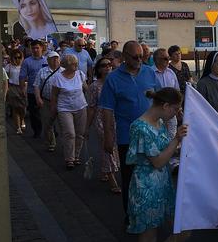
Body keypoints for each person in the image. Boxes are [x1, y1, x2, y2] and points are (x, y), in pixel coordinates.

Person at [127, 88, 187, 242]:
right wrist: (176, 140)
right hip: (146, 187)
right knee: (148, 239)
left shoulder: (158, 123)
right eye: (175, 109)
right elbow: (158, 161)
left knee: (182, 229)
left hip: (161, 185)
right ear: (165, 106)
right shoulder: (140, 126)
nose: (176, 114)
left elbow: (166, 152)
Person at [99, 41, 161, 214]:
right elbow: (107, 110)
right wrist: (109, 136)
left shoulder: (149, 73)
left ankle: (151, 211)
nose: (140, 60)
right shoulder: (113, 78)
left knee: (152, 175)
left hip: (151, 134)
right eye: (135, 57)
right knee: (131, 178)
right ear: (124, 57)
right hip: (128, 136)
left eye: (142, 56)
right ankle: (131, 215)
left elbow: (160, 98)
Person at [87, 57, 121, 193]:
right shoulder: (94, 86)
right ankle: (112, 178)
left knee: (113, 146)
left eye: (109, 65)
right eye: (104, 65)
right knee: (109, 146)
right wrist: (87, 127)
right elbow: (91, 107)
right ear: (98, 69)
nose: (107, 67)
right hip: (101, 119)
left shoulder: (115, 83)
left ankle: (104, 170)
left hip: (117, 118)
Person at [50, 55, 88, 169]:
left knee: (80, 133)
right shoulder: (58, 77)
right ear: (66, 65)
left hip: (81, 106)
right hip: (64, 108)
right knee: (70, 133)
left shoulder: (80, 75)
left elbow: (86, 88)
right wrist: (53, 108)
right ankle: (69, 158)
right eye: (73, 64)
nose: (76, 66)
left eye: (76, 63)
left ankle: (76, 156)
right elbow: (54, 95)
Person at [34, 51, 63, 151]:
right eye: (53, 58)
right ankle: (51, 142)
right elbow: (37, 86)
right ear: (48, 60)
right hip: (47, 101)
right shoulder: (42, 71)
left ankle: (67, 143)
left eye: (57, 58)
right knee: (47, 123)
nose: (55, 60)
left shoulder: (63, 71)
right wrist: (38, 98)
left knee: (63, 123)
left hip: (61, 101)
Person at [19, 40, 47, 138]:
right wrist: (22, 89)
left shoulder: (46, 60)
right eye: (33, 48)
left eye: (37, 48)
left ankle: (50, 131)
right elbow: (22, 76)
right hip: (32, 91)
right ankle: (37, 130)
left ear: (41, 48)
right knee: (34, 113)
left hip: (45, 91)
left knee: (47, 113)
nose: (35, 50)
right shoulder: (27, 61)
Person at [5, 49, 27, 134]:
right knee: (15, 108)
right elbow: (6, 78)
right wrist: (7, 89)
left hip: (23, 87)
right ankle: (18, 127)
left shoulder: (24, 66)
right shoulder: (9, 66)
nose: (17, 59)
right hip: (13, 87)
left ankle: (22, 119)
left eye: (19, 57)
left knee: (23, 108)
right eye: (15, 57)